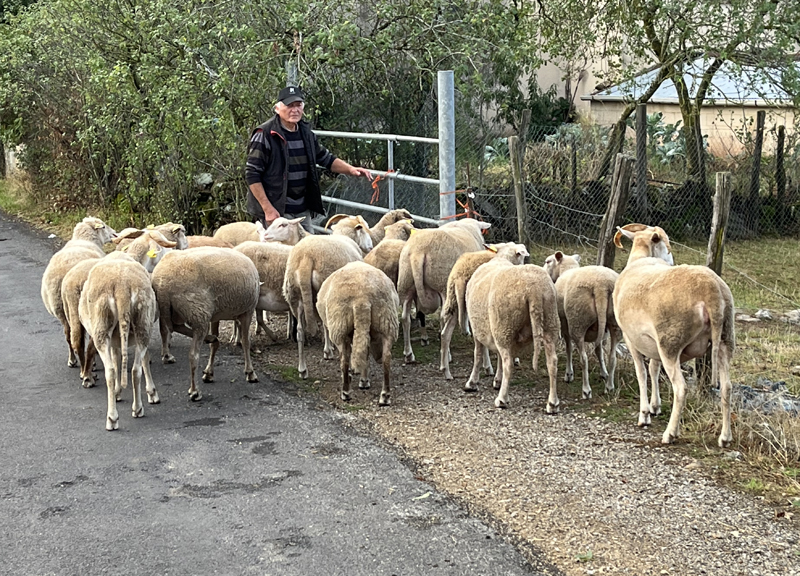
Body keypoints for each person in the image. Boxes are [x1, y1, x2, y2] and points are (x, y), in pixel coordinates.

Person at [245, 85, 373, 233]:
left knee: (308, 245)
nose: (295, 110)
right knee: (280, 248)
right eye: (289, 105)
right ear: (277, 109)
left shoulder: (306, 133)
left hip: (302, 209)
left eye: (298, 105)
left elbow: (325, 158)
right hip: (277, 210)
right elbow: (252, 174)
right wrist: (268, 209)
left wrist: (351, 169)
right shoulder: (265, 134)